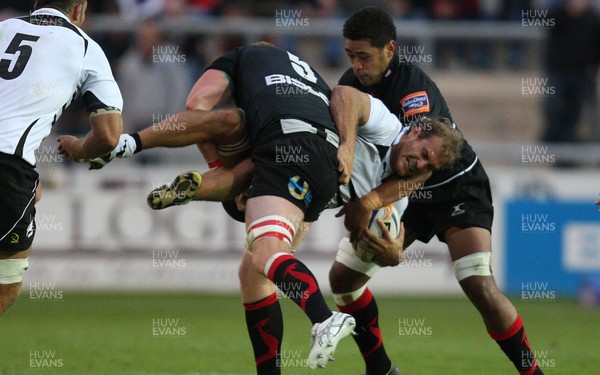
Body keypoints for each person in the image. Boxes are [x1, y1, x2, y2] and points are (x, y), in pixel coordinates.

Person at [83, 43, 359, 373]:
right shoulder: (308, 74)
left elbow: (195, 105)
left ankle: (325, 318)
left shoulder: (239, 57)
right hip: (327, 165)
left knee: (264, 251)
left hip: (285, 148)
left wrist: (218, 163)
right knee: (255, 273)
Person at [331, 6, 545, 375]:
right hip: (400, 194)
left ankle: (532, 372)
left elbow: (421, 167)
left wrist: (369, 203)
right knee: (342, 281)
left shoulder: (413, 91)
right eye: (351, 55)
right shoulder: (350, 86)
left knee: (478, 283)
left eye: (364, 56)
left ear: (390, 49)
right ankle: (380, 368)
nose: (357, 65)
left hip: (455, 189)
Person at [0, 0, 123, 315]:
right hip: (7, 170)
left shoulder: (4, 28)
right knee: (5, 285)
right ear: (79, 9)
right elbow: (109, 135)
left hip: (14, 167)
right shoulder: (85, 48)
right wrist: (81, 149)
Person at [541, 0, 600, 149]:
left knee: (575, 116)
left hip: (582, 75)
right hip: (559, 73)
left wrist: (593, 65)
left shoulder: (593, 18)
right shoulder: (559, 14)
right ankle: (552, 141)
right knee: (555, 110)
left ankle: (568, 153)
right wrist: (567, 12)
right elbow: (542, 22)